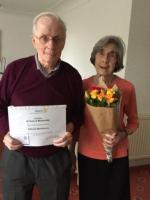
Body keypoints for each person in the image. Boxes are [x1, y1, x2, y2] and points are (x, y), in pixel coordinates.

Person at [0, 12, 84, 200]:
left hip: (55, 157)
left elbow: (79, 113)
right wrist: (6, 133)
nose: (51, 45)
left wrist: (70, 128)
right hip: (16, 156)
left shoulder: (72, 76)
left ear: (64, 42)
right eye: (44, 38)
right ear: (34, 41)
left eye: (57, 39)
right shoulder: (14, 70)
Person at [78, 35, 139, 200]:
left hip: (117, 154)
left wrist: (122, 134)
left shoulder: (127, 88)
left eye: (112, 54)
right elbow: (75, 121)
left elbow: (133, 122)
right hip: (87, 154)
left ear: (117, 60)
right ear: (94, 56)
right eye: (101, 52)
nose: (105, 59)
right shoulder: (82, 86)